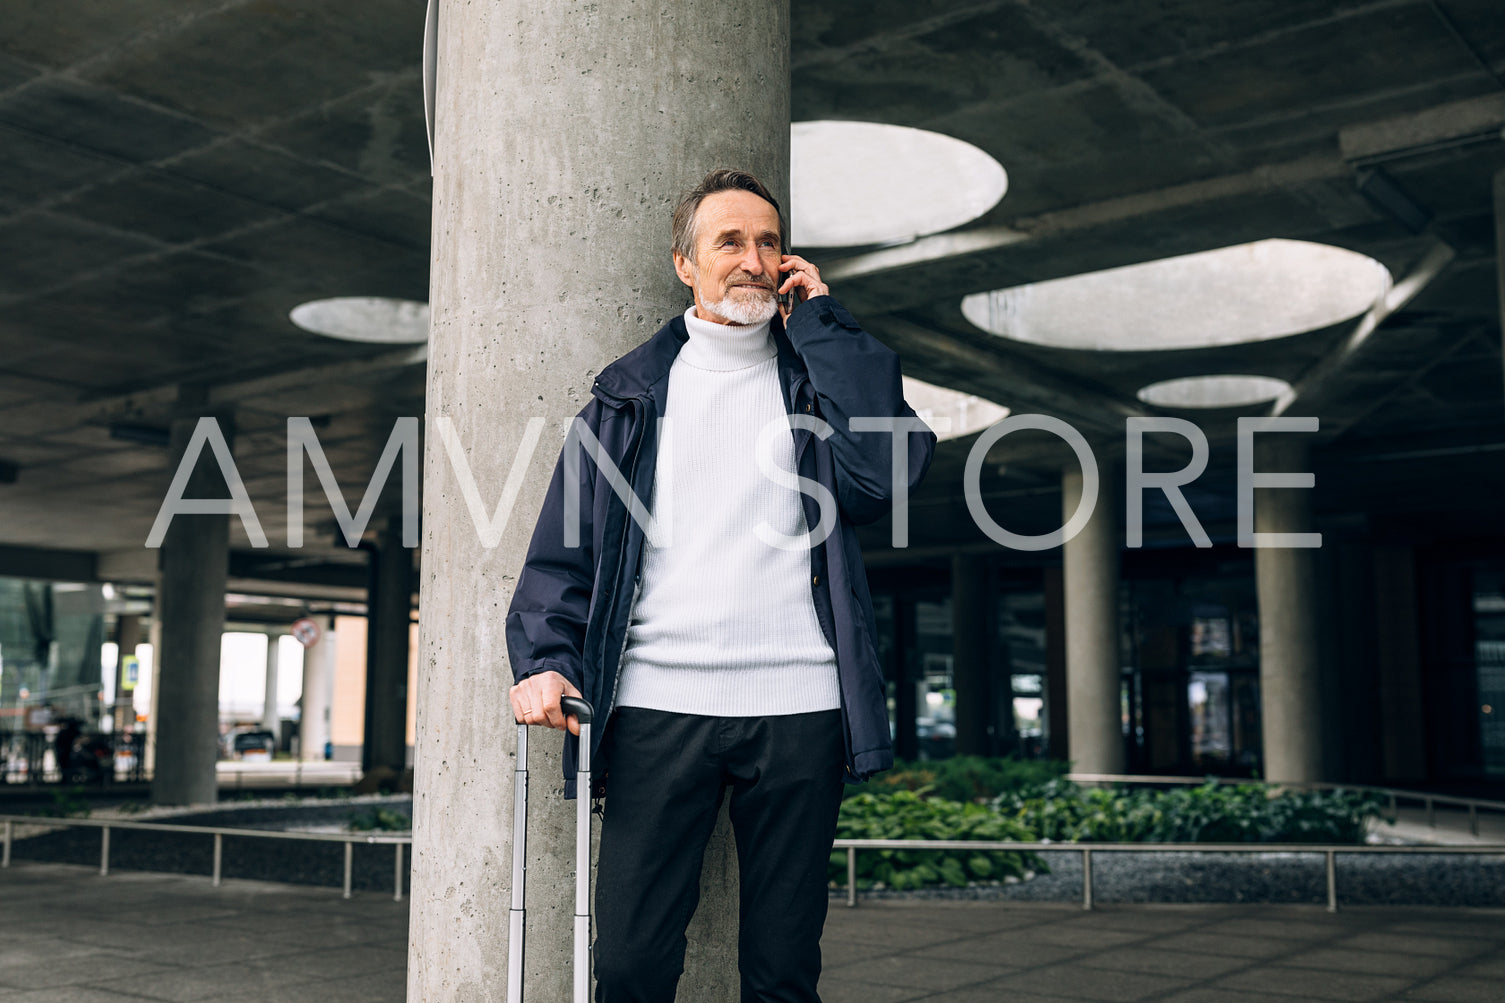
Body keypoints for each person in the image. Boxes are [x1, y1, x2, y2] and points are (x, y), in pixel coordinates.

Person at [506, 168, 935, 1003]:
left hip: (801, 707)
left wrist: (825, 325)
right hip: (657, 708)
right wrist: (544, 657)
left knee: (782, 971)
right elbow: (565, 551)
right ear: (684, 263)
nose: (753, 258)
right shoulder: (624, 400)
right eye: (729, 242)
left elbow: (887, 476)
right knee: (628, 964)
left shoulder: (816, 375)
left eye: (768, 241)